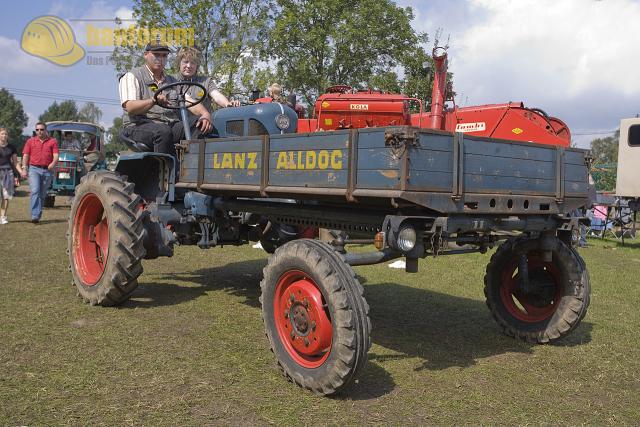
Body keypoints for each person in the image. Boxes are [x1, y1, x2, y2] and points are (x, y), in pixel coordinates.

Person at [118, 40, 213, 157]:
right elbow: (130, 107)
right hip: (137, 126)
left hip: (168, 125)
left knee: (197, 123)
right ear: (146, 55)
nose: (160, 58)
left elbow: (189, 100)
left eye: (164, 55)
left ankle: (192, 166)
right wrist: (153, 100)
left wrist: (205, 115)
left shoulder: (172, 81)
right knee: (162, 131)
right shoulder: (133, 76)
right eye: (156, 55)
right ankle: (163, 171)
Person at [174, 46, 239, 121]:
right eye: (185, 62)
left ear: (197, 66)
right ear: (179, 63)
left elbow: (217, 96)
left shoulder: (206, 81)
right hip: (180, 125)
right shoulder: (171, 81)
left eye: (193, 63)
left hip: (204, 123)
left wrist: (228, 104)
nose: (189, 66)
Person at [21, 122, 58, 224]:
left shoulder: (52, 141)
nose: (39, 131)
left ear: (46, 130)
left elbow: (56, 156)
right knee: (35, 191)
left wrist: (53, 163)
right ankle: (34, 215)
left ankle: (38, 214)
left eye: (41, 129)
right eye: (37, 130)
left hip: (47, 170)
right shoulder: (30, 141)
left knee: (42, 194)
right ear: (35, 130)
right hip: (34, 169)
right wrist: (24, 168)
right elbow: (25, 156)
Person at [0, 127, 24, 224]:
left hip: (7, 173)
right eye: (2, 134)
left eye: (6, 134)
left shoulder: (12, 147)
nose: (4, 136)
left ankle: (3, 217)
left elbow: (15, 162)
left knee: (6, 196)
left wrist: (21, 171)